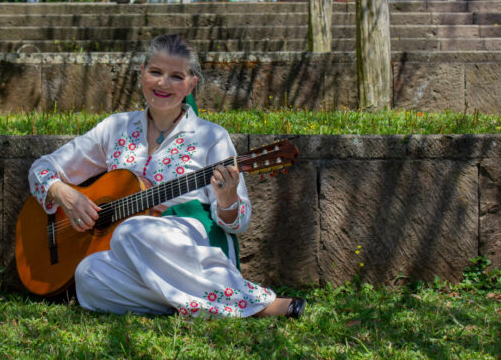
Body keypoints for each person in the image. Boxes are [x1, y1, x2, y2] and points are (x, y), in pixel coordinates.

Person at [28, 34, 305, 318]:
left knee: (131, 230)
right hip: (129, 251)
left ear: (191, 84)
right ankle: (192, 304)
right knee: (87, 274)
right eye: (156, 72)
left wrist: (227, 201)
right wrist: (64, 193)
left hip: (189, 243)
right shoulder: (115, 128)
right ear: (141, 73)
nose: (163, 83)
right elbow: (42, 168)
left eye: (176, 76)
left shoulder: (211, 136)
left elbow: (240, 221)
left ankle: (259, 305)